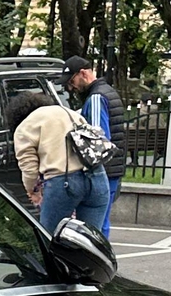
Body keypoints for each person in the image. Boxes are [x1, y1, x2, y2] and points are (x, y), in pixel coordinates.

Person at [9, 88, 112, 236]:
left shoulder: (24, 127)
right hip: (97, 177)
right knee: (90, 241)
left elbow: (29, 169)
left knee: (50, 238)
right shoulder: (69, 112)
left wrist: (33, 191)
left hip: (63, 182)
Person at [65, 56, 124, 234]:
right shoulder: (107, 91)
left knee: (95, 227)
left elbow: (98, 140)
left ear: (83, 73)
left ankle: (98, 260)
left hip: (103, 171)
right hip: (113, 168)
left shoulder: (97, 97)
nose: (71, 87)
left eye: (72, 81)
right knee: (101, 223)